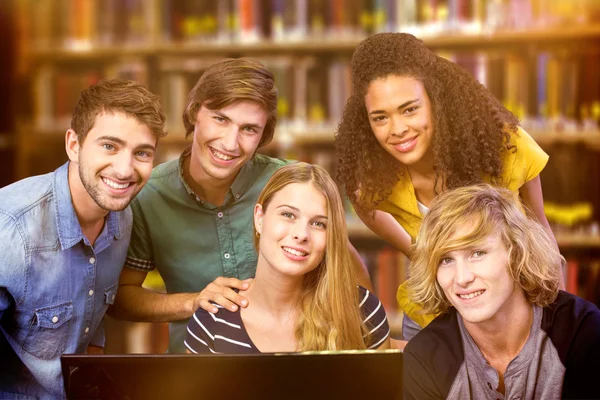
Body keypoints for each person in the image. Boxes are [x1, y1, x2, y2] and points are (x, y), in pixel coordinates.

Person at [110, 58, 372, 353]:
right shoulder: (150, 195)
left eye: (249, 129)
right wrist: (193, 302)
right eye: (221, 119)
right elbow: (121, 297)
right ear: (196, 112)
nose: (230, 143)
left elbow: (345, 267)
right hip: (197, 369)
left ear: (263, 135)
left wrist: (363, 348)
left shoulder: (288, 184)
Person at [335, 32, 558, 338]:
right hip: (435, 322)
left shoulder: (505, 148)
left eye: (410, 109)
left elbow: (541, 230)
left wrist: (558, 317)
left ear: (436, 100)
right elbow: (365, 206)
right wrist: (419, 252)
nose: (397, 129)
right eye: (380, 118)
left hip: (514, 319)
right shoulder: (373, 179)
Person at [0, 79, 167, 398]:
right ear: (73, 145)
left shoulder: (121, 215)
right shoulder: (10, 228)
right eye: (109, 146)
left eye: (142, 152)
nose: (124, 169)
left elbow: (88, 322)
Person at [403, 185, 600, 400]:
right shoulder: (424, 357)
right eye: (446, 260)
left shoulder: (582, 331)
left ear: (516, 253)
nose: (461, 278)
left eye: (477, 253)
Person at [185, 163, 390, 353]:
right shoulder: (212, 321)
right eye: (288, 215)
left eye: (319, 224)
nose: (301, 234)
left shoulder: (362, 310)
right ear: (259, 218)